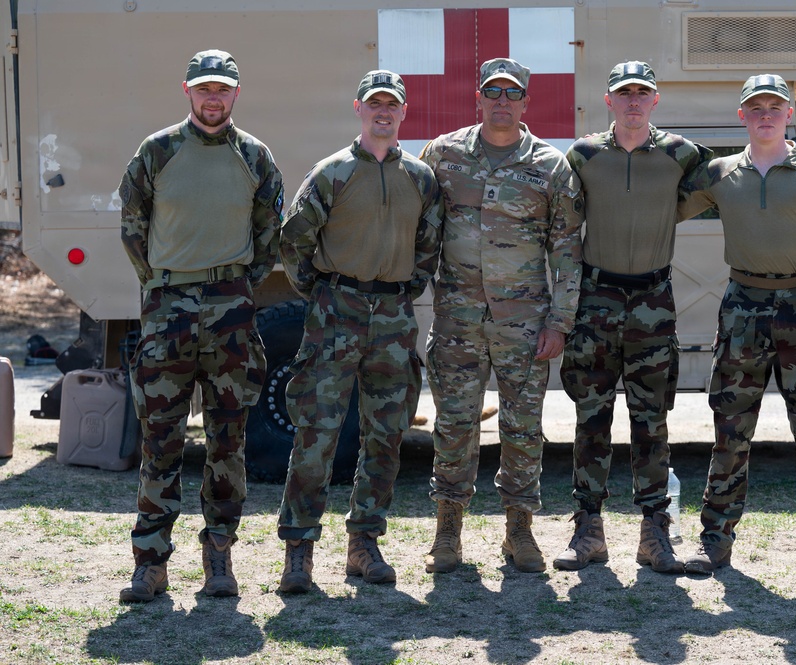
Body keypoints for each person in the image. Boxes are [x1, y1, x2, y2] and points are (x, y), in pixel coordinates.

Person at [679, 74, 796, 591]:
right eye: (755, 106)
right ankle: (714, 539)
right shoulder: (719, 174)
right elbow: (659, 209)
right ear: (741, 115)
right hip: (742, 310)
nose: (765, 114)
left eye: (774, 107)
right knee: (730, 432)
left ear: (789, 115)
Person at [118, 49, 284, 601]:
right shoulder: (157, 151)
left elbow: (268, 236)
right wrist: (162, 283)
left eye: (223, 89)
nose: (214, 98)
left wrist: (233, 284)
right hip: (167, 311)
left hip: (230, 312)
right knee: (160, 439)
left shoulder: (254, 157)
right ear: (187, 91)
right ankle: (151, 562)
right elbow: (132, 225)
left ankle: (219, 558)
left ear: (236, 93)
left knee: (226, 440)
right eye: (204, 88)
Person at [275, 70, 441, 588]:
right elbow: (294, 242)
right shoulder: (332, 173)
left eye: (393, 105)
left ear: (404, 113)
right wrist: (324, 292)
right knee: (318, 432)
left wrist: (400, 289)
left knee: (387, 435)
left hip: (393, 318)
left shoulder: (421, 177)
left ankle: (364, 544)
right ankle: (299, 549)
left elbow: (429, 246)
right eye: (375, 104)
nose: (383, 112)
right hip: (335, 315)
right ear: (358, 109)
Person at [420, 57, 583, 574]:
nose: (502, 101)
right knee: (454, 425)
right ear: (479, 97)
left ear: (526, 102)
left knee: (522, 429)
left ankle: (519, 531)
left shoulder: (550, 166)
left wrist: (560, 322)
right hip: (458, 322)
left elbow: (567, 250)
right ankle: (448, 531)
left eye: (512, 94)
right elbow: (422, 233)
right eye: (493, 91)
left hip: (525, 325)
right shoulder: (444, 156)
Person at [554, 61, 711, 574]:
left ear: (656, 100)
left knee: (652, 421)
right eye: (624, 93)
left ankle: (655, 535)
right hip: (596, 299)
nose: (634, 101)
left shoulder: (680, 154)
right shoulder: (583, 155)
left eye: (643, 92)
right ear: (609, 100)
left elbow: (717, 185)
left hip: (653, 301)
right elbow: (562, 213)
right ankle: (587, 531)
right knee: (590, 419)